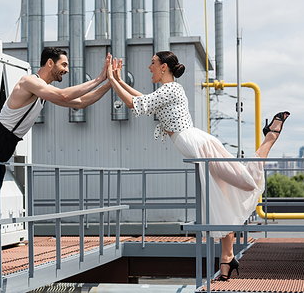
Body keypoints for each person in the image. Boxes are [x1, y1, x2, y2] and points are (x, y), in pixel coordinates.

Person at [106, 51, 290, 281]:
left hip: (201, 146)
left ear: (164, 67)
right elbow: (143, 101)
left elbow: (137, 103)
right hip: (197, 147)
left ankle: (270, 138)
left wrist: (113, 80)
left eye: (152, 63)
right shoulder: (165, 91)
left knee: (244, 181)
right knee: (223, 198)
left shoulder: (171, 89)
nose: (149, 67)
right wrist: (120, 81)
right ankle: (227, 259)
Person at [0, 47, 113, 281]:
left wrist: (110, 82)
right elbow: (66, 97)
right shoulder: (29, 82)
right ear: (50, 63)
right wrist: (99, 78)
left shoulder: (44, 92)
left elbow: (81, 103)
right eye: (63, 65)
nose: (66, 70)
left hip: (5, 145)